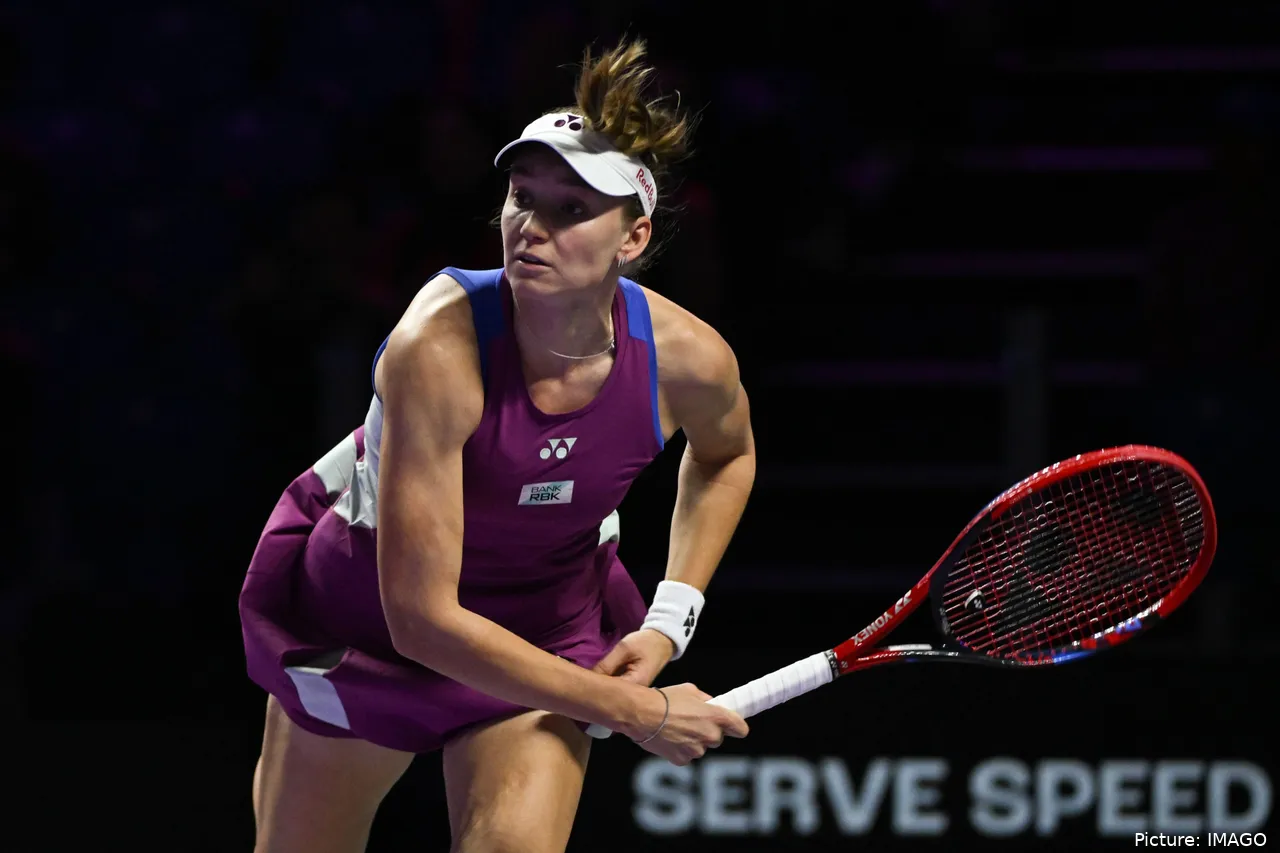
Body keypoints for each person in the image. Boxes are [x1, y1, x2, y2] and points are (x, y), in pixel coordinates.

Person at [239, 37, 755, 853]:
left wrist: (669, 619)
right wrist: (636, 708)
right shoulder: (437, 349)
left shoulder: (687, 358)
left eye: (571, 210)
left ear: (632, 238)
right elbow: (421, 620)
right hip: (370, 624)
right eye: (522, 197)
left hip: (543, 629)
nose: (531, 227)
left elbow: (727, 456)